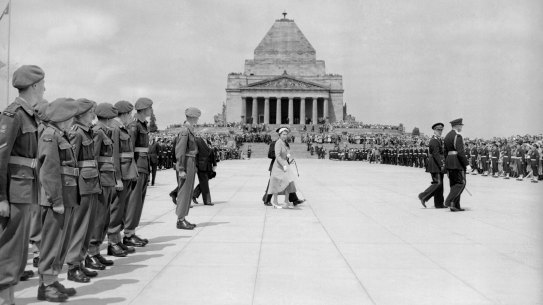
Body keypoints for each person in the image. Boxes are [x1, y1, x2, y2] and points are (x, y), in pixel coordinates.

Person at [0, 65, 44, 305]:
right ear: (35, 86)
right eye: (43, 84)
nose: (45, 88)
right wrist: (1, 197)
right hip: (15, 190)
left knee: (18, 249)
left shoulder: (29, 114)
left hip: (26, 187)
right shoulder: (13, 114)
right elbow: (1, 157)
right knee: (10, 247)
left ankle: (9, 298)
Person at [36, 98, 79, 302]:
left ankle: (52, 280)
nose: (72, 122)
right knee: (52, 244)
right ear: (63, 118)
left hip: (66, 195)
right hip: (57, 198)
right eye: (70, 118)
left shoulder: (61, 135)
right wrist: (56, 200)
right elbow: (49, 171)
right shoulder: (50, 136)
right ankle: (46, 285)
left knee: (61, 243)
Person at [66, 99, 101, 283]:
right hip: (81, 186)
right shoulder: (76, 133)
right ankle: (73, 266)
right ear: (79, 115)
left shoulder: (88, 132)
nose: (93, 116)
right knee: (80, 227)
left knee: (88, 228)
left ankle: (80, 261)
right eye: (90, 112)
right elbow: (70, 163)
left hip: (91, 184)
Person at [88, 103, 119, 269]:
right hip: (100, 180)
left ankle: (96, 252)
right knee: (98, 218)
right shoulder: (98, 132)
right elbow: (92, 158)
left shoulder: (105, 131)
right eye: (113, 118)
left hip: (107, 180)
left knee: (104, 218)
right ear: (108, 118)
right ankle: (90, 252)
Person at [108, 101, 138, 257]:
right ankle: (112, 242)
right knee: (116, 209)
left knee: (122, 209)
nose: (131, 117)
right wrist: (117, 178)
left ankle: (117, 240)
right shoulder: (115, 129)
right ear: (125, 114)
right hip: (121, 175)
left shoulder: (121, 128)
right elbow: (114, 156)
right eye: (130, 114)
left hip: (127, 173)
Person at [125, 97, 153, 247]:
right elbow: (129, 150)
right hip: (137, 166)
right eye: (149, 108)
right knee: (133, 201)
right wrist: (132, 169)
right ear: (143, 109)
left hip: (144, 165)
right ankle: (128, 233)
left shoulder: (143, 125)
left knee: (139, 202)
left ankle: (132, 231)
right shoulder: (134, 126)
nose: (151, 110)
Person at [175, 108, 200, 230]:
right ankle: (180, 219)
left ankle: (183, 217)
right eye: (197, 117)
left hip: (191, 161)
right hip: (186, 162)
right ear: (192, 117)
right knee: (184, 191)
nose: (198, 119)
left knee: (188, 191)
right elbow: (179, 151)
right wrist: (180, 168)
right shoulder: (185, 130)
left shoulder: (190, 129)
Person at [418, 123, 446, 209]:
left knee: (440, 185)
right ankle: (423, 196)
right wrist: (441, 164)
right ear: (434, 130)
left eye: (441, 130)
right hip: (435, 164)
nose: (440, 131)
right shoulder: (434, 140)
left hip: (437, 163)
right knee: (437, 183)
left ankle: (439, 203)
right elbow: (436, 154)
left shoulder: (438, 140)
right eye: (438, 130)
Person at [268, 127, 297, 209]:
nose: (285, 136)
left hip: (285, 165)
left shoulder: (284, 143)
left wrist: (288, 156)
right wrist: (283, 164)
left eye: (286, 134)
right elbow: (277, 156)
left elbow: (285, 152)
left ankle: (286, 201)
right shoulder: (278, 143)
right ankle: (275, 201)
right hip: (278, 166)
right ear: (280, 135)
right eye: (283, 134)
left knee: (288, 183)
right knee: (276, 184)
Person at [443, 118, 469, 212]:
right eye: (461, 125)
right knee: (461, 183)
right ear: (457, 126)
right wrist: (467, 164)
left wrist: (447, 163)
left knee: (453, 184)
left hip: (449, 162)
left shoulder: (447, 136)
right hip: (457, 162)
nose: (461, 127)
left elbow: (445, 152)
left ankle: (455, 206)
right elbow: (460, 152)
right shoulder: (458, 136)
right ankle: (449, 201)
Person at [192, 137, 217, 206]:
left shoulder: (209, 146)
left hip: (208, 168)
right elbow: (196, 156)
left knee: (204, 183)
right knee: (205, 183)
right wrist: (196, 166)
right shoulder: (198, 143)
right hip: (201, 167)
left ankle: (194, 194)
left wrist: (214, 166)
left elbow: (212, 156)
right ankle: (207, 200)